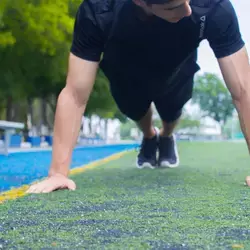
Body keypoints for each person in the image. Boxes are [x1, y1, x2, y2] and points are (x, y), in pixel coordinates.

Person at [27, 0, 250, 193]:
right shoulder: (98, 10)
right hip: (125, 69)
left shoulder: (213, 7)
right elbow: (75, 94)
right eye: (175, 7)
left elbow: (243, 90)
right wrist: (58, 173)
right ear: (140, 2)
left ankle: (165, 136)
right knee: (135, 108)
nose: (187, 11)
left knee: (172, 109)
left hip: (176, 65)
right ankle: (150, 136)